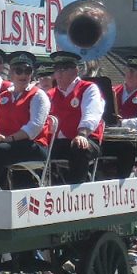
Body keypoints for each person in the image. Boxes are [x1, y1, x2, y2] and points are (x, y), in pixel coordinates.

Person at [0, 51, 51, 189]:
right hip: (7, 143)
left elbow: (34, 128)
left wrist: (8, 139)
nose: (23, 75)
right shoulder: (4, 96)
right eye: (19, 70)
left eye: (27, 70)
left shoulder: (38, 95)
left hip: (33, 145)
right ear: (11, 74)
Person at [46, 51, 103, 184]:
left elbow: (92, 113)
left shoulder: (88, 88)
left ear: (75, 70)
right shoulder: (49, 94)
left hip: (86, 139)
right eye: (57, 69)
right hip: (58, 142)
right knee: (34, 148)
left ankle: (76, 190)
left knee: (79, 147)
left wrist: (82, 134)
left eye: (64, 69)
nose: (59, 74)